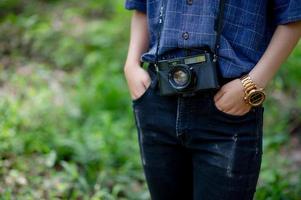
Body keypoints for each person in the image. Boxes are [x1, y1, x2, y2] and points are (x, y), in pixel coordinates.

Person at [123, 0, 301, 199]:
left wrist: (253, 83)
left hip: (229, 105)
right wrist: (131, 64)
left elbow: (293, 14)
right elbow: (141, 6)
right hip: (158, 99)